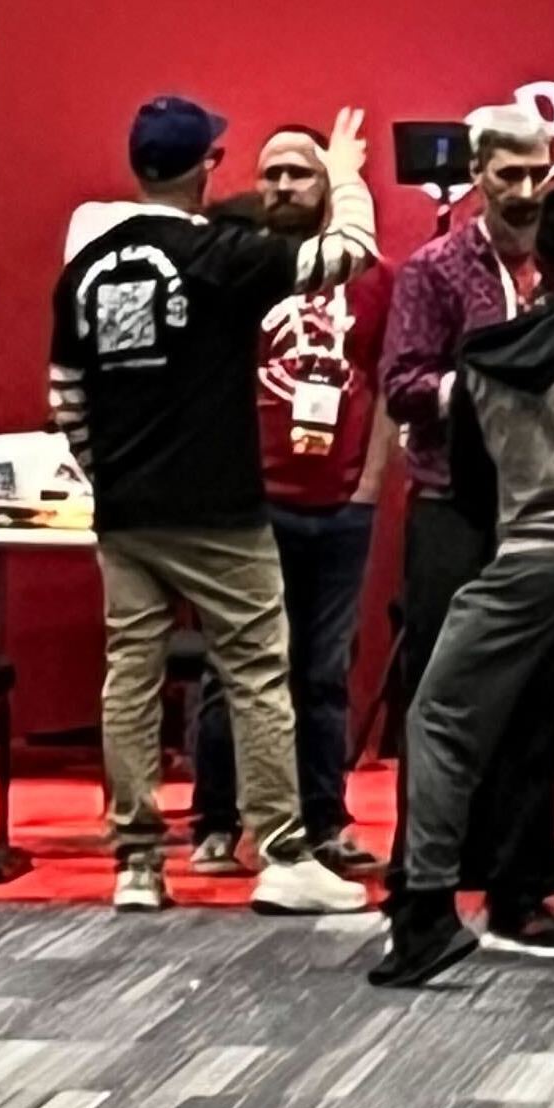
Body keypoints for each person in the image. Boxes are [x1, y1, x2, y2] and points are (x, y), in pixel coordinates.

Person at [48, 95, 377, 917]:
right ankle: (284, 853)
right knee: (261, 673)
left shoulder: (86, 267)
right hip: (222, 510)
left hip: (127, 514)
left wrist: (109, 477)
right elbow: (352, 252)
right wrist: (345, 175)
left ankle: (136, 862)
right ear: (207, 168)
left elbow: (66, 398)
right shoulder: (223, 256)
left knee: (131, 678)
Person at [370, 187, 554, 999]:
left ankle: (430, 905)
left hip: (521, 562)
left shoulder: (486, 360)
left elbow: (468, 483)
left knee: (438, 720)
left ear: (537, 264)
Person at [376, 103, 554, 953]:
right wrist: (492, 387)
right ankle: (421, 888)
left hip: (543, 507)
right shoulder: (435, 269)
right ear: (478, 174)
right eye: (510, 175)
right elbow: (402, 386)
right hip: (453, 502)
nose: (526, 191)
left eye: (538, 174)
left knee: (538, 705)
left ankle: (520, 891)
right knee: (441, 703)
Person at [184, 128, 396, 881]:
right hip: (253, 504)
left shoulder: (374, 277)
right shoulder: (238, 270)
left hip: (340, 505)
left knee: (323, 672)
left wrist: (369, 486)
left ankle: (324, 819)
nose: (280, 187)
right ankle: (216, 818)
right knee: (233, 669)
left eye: (299, 175)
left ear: (327, 187)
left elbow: (386, 387)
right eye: (269, 173)